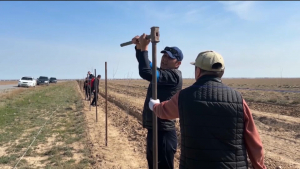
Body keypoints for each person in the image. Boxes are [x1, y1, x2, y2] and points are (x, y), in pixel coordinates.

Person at [148, 50, 266, 169]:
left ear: (198, 71)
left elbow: (164, 112)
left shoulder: (184, 96)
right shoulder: (238, 99)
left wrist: (155, 106)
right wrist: (259, 166)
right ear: (222, 72)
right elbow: (254, 142)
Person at [132, 34, 184, 169]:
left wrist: (145, 48)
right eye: (164, 56)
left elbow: (146, 72)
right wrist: (139, 48)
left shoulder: (173, 76)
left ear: (178, 63)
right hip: (154, 130)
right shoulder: (161, 72)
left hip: (164, 133)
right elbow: (147, 66)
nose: (164, 59)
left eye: (169, 57)